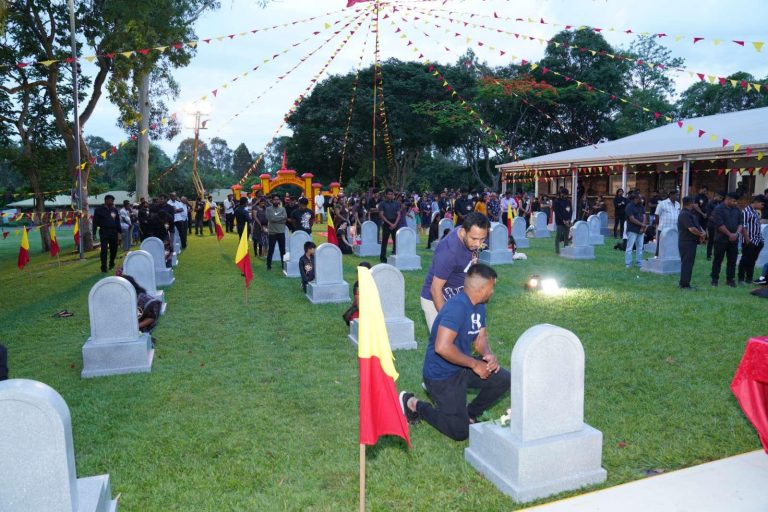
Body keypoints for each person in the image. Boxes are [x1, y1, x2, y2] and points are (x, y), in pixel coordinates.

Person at [401, 264, 510, 441]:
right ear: (481, 289)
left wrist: (487, 354)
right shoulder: (457, 308)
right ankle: (413, 404)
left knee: (503, 379)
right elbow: (442, 347)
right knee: (460, 432)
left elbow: (480, 338)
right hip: (441, 376)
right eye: (492, 287)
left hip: (462, 367)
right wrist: (475, 364)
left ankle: (469, 414)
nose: (493, 291)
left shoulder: (479, 305)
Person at [420, 212, 490, 333]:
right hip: (437, 299)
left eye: (482, 239)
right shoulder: (449, 251)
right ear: (463, 232)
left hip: (458, 296)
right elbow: (435, 289)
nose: (478, 244)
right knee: (445, 342)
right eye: (474, 239)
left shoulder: (471, 234)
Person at [710, 192, 743, 287]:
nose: (735, 203)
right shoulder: (718, 209)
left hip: (734, 239)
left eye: (736, 201)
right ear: (727, 199)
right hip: (721, 239)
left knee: (732, 260)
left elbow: (741, 223)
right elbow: (720, 225)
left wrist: (736, 234)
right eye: (734, 201)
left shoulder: (737, 209)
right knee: (718, 259)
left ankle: (730, 279)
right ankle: (714, 279)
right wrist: (730, 234)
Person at [678, 196, 706, 290]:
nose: (696, 205)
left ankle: (685, 282)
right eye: (694, 203)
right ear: (690, 203)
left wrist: (702, 233)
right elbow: (691, 228)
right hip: (686, 242)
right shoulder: (684, 214)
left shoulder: (690, 213)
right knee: (687, 263)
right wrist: (701, 234)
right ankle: (684, 284)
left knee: (689, 263)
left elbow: (697, 225)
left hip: (692, 241)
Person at [737, 194, 766, 284]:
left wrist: (761, 241)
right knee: (745, 260)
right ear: (756, 202)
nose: (763, 206)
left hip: (757, 240)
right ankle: (741, 279)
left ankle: (749, 278)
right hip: (749, 241)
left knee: (752, 261)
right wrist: (748, 241)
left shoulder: (755, 212)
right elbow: (743, 227)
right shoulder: (746, 212)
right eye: (762, 204)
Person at [92, 194, 121, 273]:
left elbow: (117, 221)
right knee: (104, 250)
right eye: (111, 200)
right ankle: (103, 267)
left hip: (114, 232)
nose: (112, 202)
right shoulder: (98, 210)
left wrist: (119, 233)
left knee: (114, 249)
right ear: (106, 200)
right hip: (104, 231)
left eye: (113, 201)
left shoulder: (114, 210)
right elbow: (95, 222)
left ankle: (111, 263)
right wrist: (94, 233)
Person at [654, 190, 680, 257]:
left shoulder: (678, 204)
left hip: (674, 228)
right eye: (676, 195)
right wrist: (659, 224)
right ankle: (657, 257)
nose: (677, 196)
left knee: (672, 244)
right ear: (671, 195)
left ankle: (670, 256)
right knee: (660, 244)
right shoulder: (662, 203)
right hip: (663, 228)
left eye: (678, 195)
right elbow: (657, 214)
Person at [378, 188, 401, 263]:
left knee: (396, 240)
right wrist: (390, 224)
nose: (390, 196)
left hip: (395, 222)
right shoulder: (382, 204)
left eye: (391, 194)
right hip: (386, 223)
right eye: (388, 194)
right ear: (385, 195)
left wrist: (395, 224)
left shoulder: (396, 203)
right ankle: (383, 258)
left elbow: (399, 214)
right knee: (384, 241)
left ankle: (395, 255)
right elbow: (381, 215)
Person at [624, 193, 647, 268]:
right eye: (640, 198)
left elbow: (644, 216)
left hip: (641, 229)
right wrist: (642, 225)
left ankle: (639, 263)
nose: (642, 200)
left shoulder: (641, 206)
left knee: (640, 247)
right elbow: (632, 218)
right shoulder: (629, 206)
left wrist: (643, 226)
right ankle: (628, 263)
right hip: (632, 229)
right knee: (629, 247)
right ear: (636, 198)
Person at [266, 194, 287, 270]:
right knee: (271, 250)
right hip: (272, 232)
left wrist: (276, 218)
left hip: (281, 232)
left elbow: (285, 219)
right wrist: (280, 218)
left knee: (283, 250)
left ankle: (283, 266)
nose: (276, 201)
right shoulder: (268, 209)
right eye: (274, 199)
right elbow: (270, 219)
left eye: (277, 199)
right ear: (272, 200)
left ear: (279, 201)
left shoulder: (283, 209)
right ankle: (269, 266)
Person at [553, 188, 572, 255]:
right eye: (564, 194)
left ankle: (566, 249)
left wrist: (569, 219)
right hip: (560, 222)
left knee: (566, 236)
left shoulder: (568, 201)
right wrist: (563, 220)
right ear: (561, 194)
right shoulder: (557, 202)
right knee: (558, 236)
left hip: (567, 221)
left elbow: (570, 211)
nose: (565, 196)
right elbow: (557, 212)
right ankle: (557, 251)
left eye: (566, 194)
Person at [704, 191, 723, 260]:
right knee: (711, 240)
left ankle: (716, 255)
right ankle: (709, 255)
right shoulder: (710, 204)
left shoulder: (721, 203)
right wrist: (717, 220)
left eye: (722, 198)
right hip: (711, 225)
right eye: (720, 197)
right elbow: (709, 216)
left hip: (719, 225)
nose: (721, 199)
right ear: (716, 196)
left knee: (718, 240)